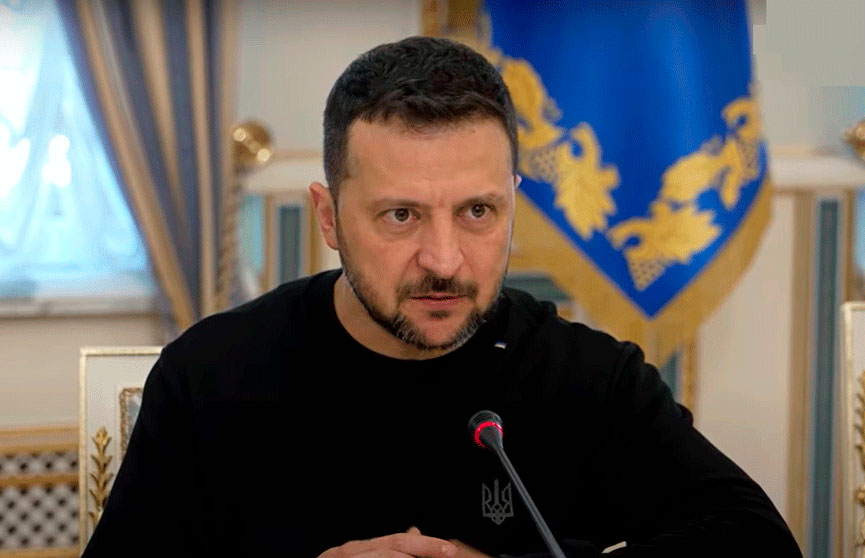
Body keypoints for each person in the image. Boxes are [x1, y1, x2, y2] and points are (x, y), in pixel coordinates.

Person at [83, 36, 801, 558]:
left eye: (477, 212)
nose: (444, 260)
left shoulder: (586, 377)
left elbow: (753, 539)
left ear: (513, 204)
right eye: (400, 215)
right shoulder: (211, 375)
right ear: (329, 217)